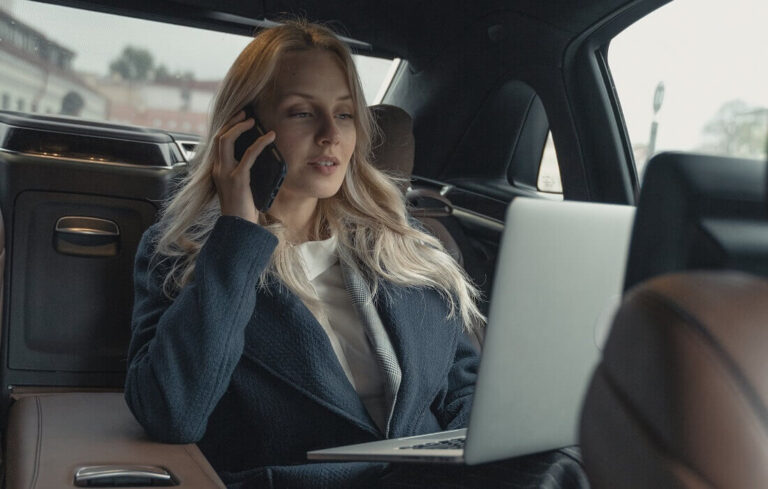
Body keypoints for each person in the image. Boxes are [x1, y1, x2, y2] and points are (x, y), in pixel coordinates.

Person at [125, 20, 587, 489]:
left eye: (344, 114)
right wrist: (238, 234)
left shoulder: (407, 246)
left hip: (435, 480)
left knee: (572, 458)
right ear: (245, 130)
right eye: (302, 113)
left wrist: (481, 448)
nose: (331, 135)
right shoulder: (187, 253)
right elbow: (172, 413)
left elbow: (463, 386)